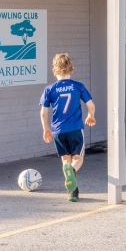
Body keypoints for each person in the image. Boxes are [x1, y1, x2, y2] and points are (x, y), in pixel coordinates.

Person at [39, 53, 96, 202]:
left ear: (54, 70)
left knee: (66, 160)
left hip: (58, 131)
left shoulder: (49, 89)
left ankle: (73, 192)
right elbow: (91, 105)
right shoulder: (78, 86)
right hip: (75, 129)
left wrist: (46, 129)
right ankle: (73, 172)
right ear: (72, 69)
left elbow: (44, 113)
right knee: (78, 159)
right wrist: (91, 116)